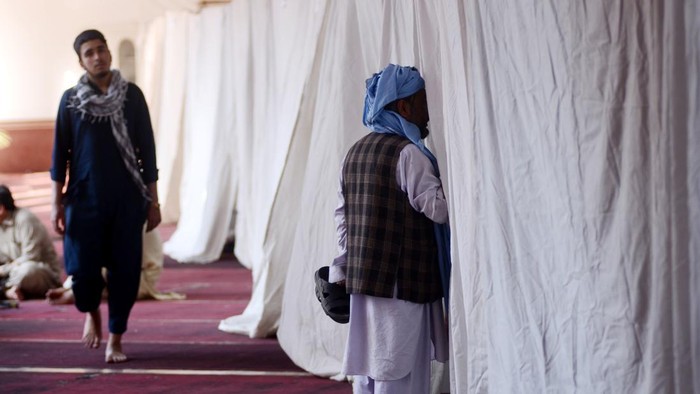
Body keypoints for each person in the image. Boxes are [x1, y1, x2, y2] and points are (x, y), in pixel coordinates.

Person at [329, 64, 451, 393]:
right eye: (423, 101)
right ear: (404, 107)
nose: (428, 112)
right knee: (398, 369)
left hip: (365, 280)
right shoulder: (410, 154)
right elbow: (438, 210)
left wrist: (347, 263)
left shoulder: (353, 152)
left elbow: (343, 217)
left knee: (369, 366)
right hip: (403, 286)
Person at [50, 29, 161, 364]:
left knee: (125, 271)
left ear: (109, 53)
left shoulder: (132, 96)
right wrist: (57, 202)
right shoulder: (71, 100)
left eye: (101, 50)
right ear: (81, 61)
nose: (97, 56)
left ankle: (115, 336)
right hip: (83, 200)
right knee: (81, 270)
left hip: (127, 198)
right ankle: (91, 313)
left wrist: (153, 201)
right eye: (89, 53)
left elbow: (147, 152)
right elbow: (60, 155)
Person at [45, 228, 185, 305]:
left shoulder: (131, 209)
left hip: (140, 277)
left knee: (108, 263)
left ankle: (77, 291)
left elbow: (120, 257)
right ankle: (74, 288)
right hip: (122, 267)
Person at [0, 185, 62, 301]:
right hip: (10, 274)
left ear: (1, 209)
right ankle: (9, 290)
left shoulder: (25, 220)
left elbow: (31, 257)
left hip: (39, 272)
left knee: (27, 270)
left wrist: (3, 270)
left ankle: (6, 291)